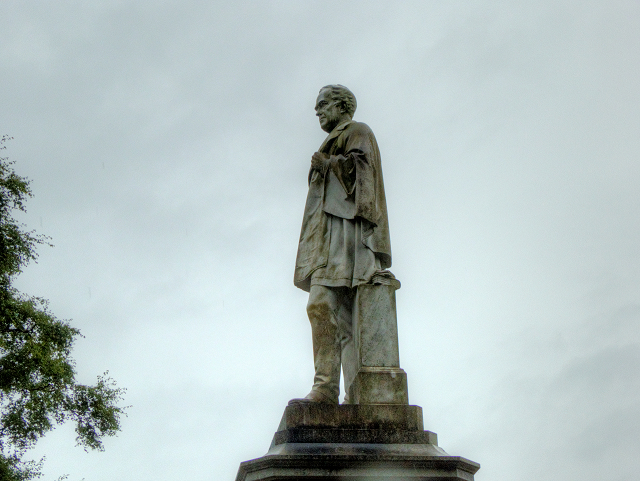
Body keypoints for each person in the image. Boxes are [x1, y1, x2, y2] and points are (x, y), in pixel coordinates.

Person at [291, 85, 392, 404]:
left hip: (349, 235)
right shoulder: (336, 137)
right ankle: (325, 387)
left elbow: (363, 170)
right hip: (329, 237)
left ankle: (352, 393)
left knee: (346, 314)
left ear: (342, 105)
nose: (318, 111)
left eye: (323, 105)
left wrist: (328, 164)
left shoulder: (356, 130)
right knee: (320, 304)